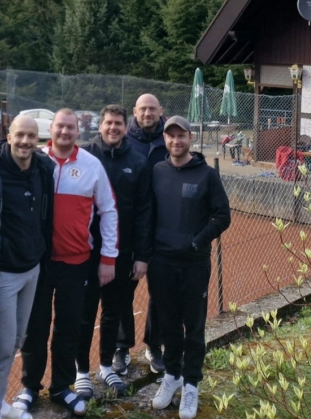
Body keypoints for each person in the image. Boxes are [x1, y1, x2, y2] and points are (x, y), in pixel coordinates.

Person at [15, 108, 119, 417]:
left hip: (76, 263)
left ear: (78, 131)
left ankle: (61, 386)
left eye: (70, 127)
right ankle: (30, 387)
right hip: (39, 262)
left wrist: (108, 258)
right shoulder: (35, 160)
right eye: (60, 126)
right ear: (51, 129)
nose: (64, 132)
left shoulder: (91, 165)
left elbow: (109, 211)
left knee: (68, 328)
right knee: (35, 328)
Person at [148, 116, 231, 419]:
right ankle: (172, 376)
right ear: (165, 140)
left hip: (194, 265)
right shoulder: (157, 171)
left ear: (190, 138)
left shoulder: (207, 175)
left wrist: (196, 242)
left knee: (193, 327)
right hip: (161, 263)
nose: (176, 141)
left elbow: (223, 216)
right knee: (168, 324)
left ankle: (192, 383)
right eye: (170, 136)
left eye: (181, 136)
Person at [0, 116, 55, 419]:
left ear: (38, 140)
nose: (25, 141)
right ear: (8, 136)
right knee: (0, 348)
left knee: (15, 343)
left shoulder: (43, 168)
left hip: (32, 269)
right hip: (3, 274)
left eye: (31, 136)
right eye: (20, 135)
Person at [75, 104, 152, 398]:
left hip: (122, 252)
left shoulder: (138, 162)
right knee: (85, 313)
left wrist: (141, 255)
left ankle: (106, 366)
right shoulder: (84, 156)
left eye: (118, 123)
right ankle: (82, 372)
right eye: (108, 123)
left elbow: (144, 212)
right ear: (101, 125)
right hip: (86, 252)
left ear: (125, 127)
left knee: (112, 312)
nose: (113, 128)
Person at [126, 93, 169, 374]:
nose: (147, 113)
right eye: (143, 109)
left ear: (160, 110)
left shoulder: (170, 138)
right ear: (135, 111)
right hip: (130, 231)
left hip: (163, 230)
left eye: (152, 109)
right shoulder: (123, 140)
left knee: (161, 293)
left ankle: (154, 345)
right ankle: (121, 348)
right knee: (122, 293)